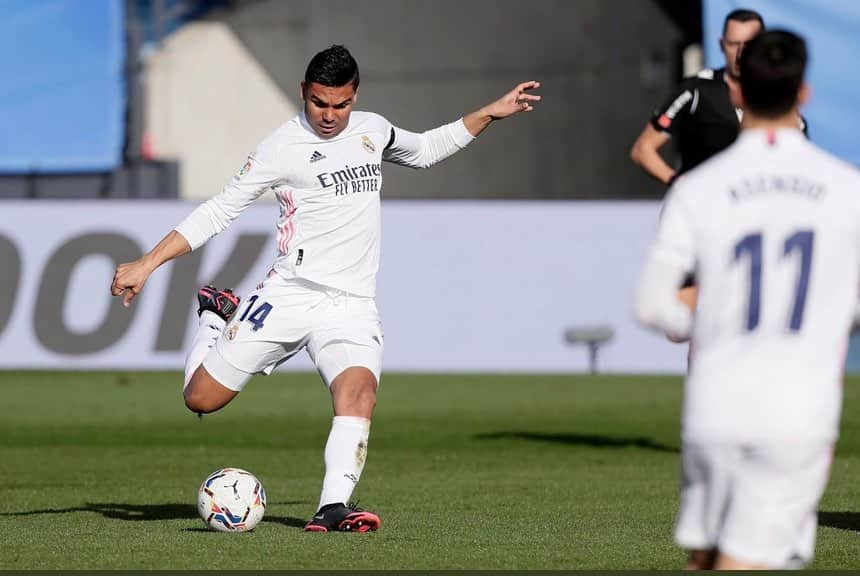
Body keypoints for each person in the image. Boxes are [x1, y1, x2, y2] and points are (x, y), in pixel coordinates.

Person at [110, 45, 540, 533]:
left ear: (355, 96)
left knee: (359, 394)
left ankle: (332, 507)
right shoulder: (280, 147)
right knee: (201, 400)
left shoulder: (373, 130)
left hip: (351, 305)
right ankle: (216, 315)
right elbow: (220, 209)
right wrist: (147, 263)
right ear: (303, 93)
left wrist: (488, 112)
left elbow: (423, 151)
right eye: (319, 103)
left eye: (340, 104)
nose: (330, 115)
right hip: (290, 294)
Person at [635, 30, 860, 569]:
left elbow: (655, 308)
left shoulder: (698, 188)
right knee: (753, 559)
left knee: (710, 558)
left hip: (718, 404)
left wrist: (712, 299)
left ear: (738, 93)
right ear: (803, 94)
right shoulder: (845, 189)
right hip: (801, 409)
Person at [630, 9, 766, 185]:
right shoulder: (696, 90)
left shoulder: (779, 96)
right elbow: (642, 149)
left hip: (754, 206)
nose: (740, 54)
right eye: (733, 44)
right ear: (721, 44)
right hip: (705, 207)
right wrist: (681, 184)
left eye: (749, 45)